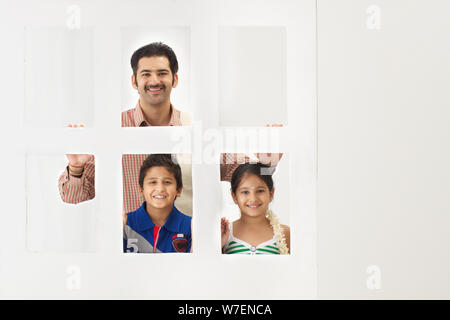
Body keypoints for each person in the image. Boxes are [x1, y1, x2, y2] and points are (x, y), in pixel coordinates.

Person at [58, 42, 193, 215]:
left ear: (174, 79)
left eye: (162, 73)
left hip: (185, 240)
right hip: (130, 240)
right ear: (134, 81)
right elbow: (73, 196)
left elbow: (234, 168)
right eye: (146, 74)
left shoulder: (193, 128)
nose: (154, 81)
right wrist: (76, 167)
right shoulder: (113, 130)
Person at [124, 154, 191, 253]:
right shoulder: (125, 224)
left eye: (167, 182)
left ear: (179, 190)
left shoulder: (190, 226)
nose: (160, 189)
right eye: (153, 182)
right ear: (141, 189)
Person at [221, 162, 290, 255]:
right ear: (234, 197)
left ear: (271, 194)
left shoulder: (285, 234)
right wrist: (219, 245)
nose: (253, 199)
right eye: (245, 192)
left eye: (260, 191)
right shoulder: (225, 233)